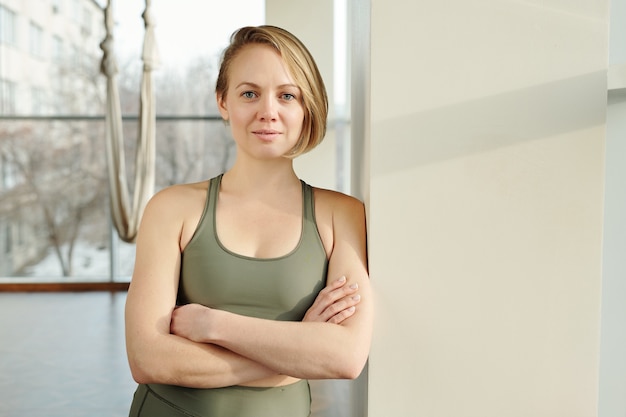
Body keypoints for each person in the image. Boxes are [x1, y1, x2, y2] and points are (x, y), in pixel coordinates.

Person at [125, 25, 373, 417]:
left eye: (287, 95)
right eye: (249, 94)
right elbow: (148, 359)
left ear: (306, 107)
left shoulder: (342, 215)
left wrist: (213, 325)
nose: (267, 112)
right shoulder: (171, 209)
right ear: (224, 102)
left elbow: (345, 357)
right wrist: (299, 349)